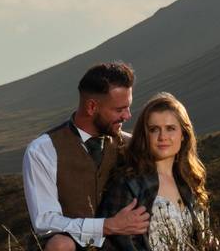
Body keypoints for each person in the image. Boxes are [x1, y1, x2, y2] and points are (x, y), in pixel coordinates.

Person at [23, 62, 151, 250]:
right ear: (91, 107)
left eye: (128, 107)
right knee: (60, 245)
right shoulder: (42, 150)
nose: (128, 116)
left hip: (123, 245)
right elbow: (45, 221)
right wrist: (106, 226)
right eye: (119, 110)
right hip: (70, 246)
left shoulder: (131, 145)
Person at [97, 92, 216, 251]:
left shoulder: (190, 180)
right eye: (154, 129)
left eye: (170, 128)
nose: (162, 137)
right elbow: (111, 243)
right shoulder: (129, 182)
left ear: (183, 134)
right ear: (144, 136)